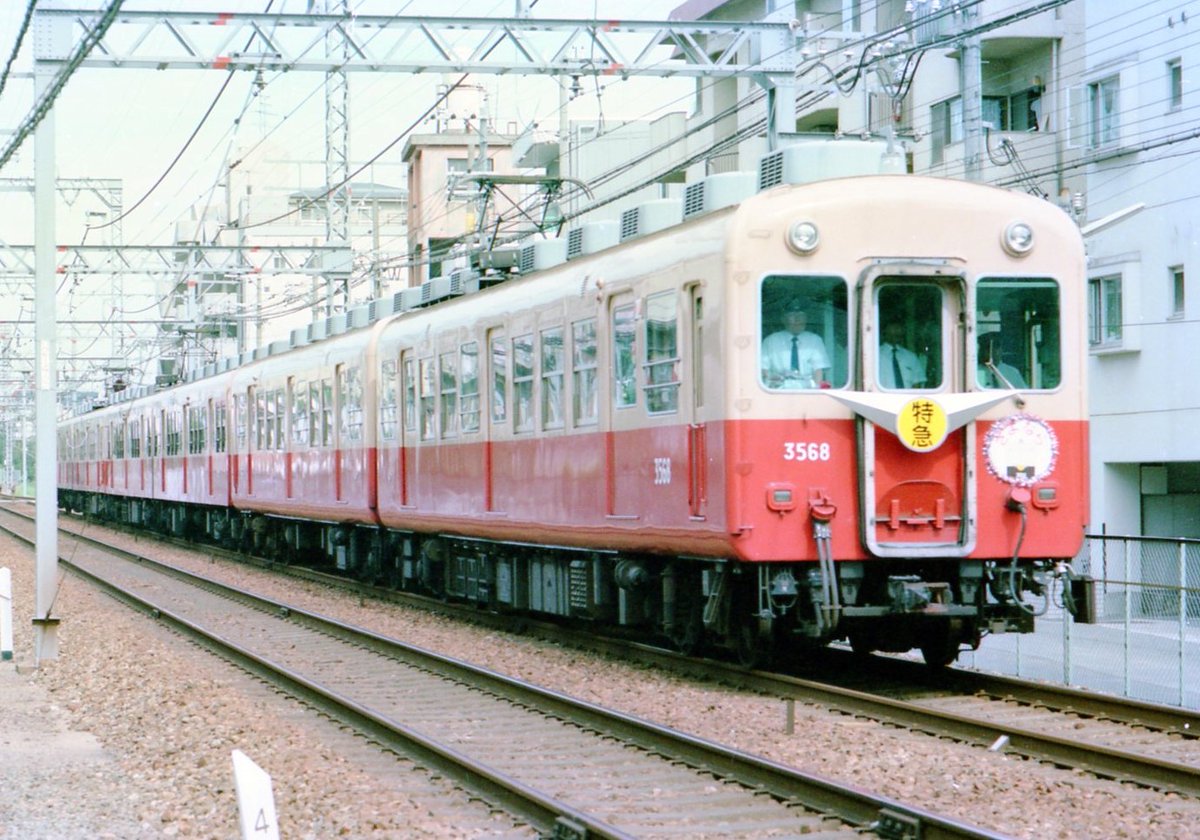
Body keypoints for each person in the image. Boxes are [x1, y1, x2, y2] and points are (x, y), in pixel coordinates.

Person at [761, 300, 829, 389]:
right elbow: (763, 368)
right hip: (778, 390)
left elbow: (818, 371)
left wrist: (816, 390)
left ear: (806, 319)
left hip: (807, 390)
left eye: (801, 316)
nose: (797, 320)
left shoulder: (815, 340)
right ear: (783, 319)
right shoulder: (771, 340)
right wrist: (770, 377)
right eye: (792, 315)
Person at [878, 319, 926, 389]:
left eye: (900, 328)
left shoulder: (911, 357)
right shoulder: (875, 356)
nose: (898, 331)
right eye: (894, 328)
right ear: (884, 330)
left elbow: (917, 384)